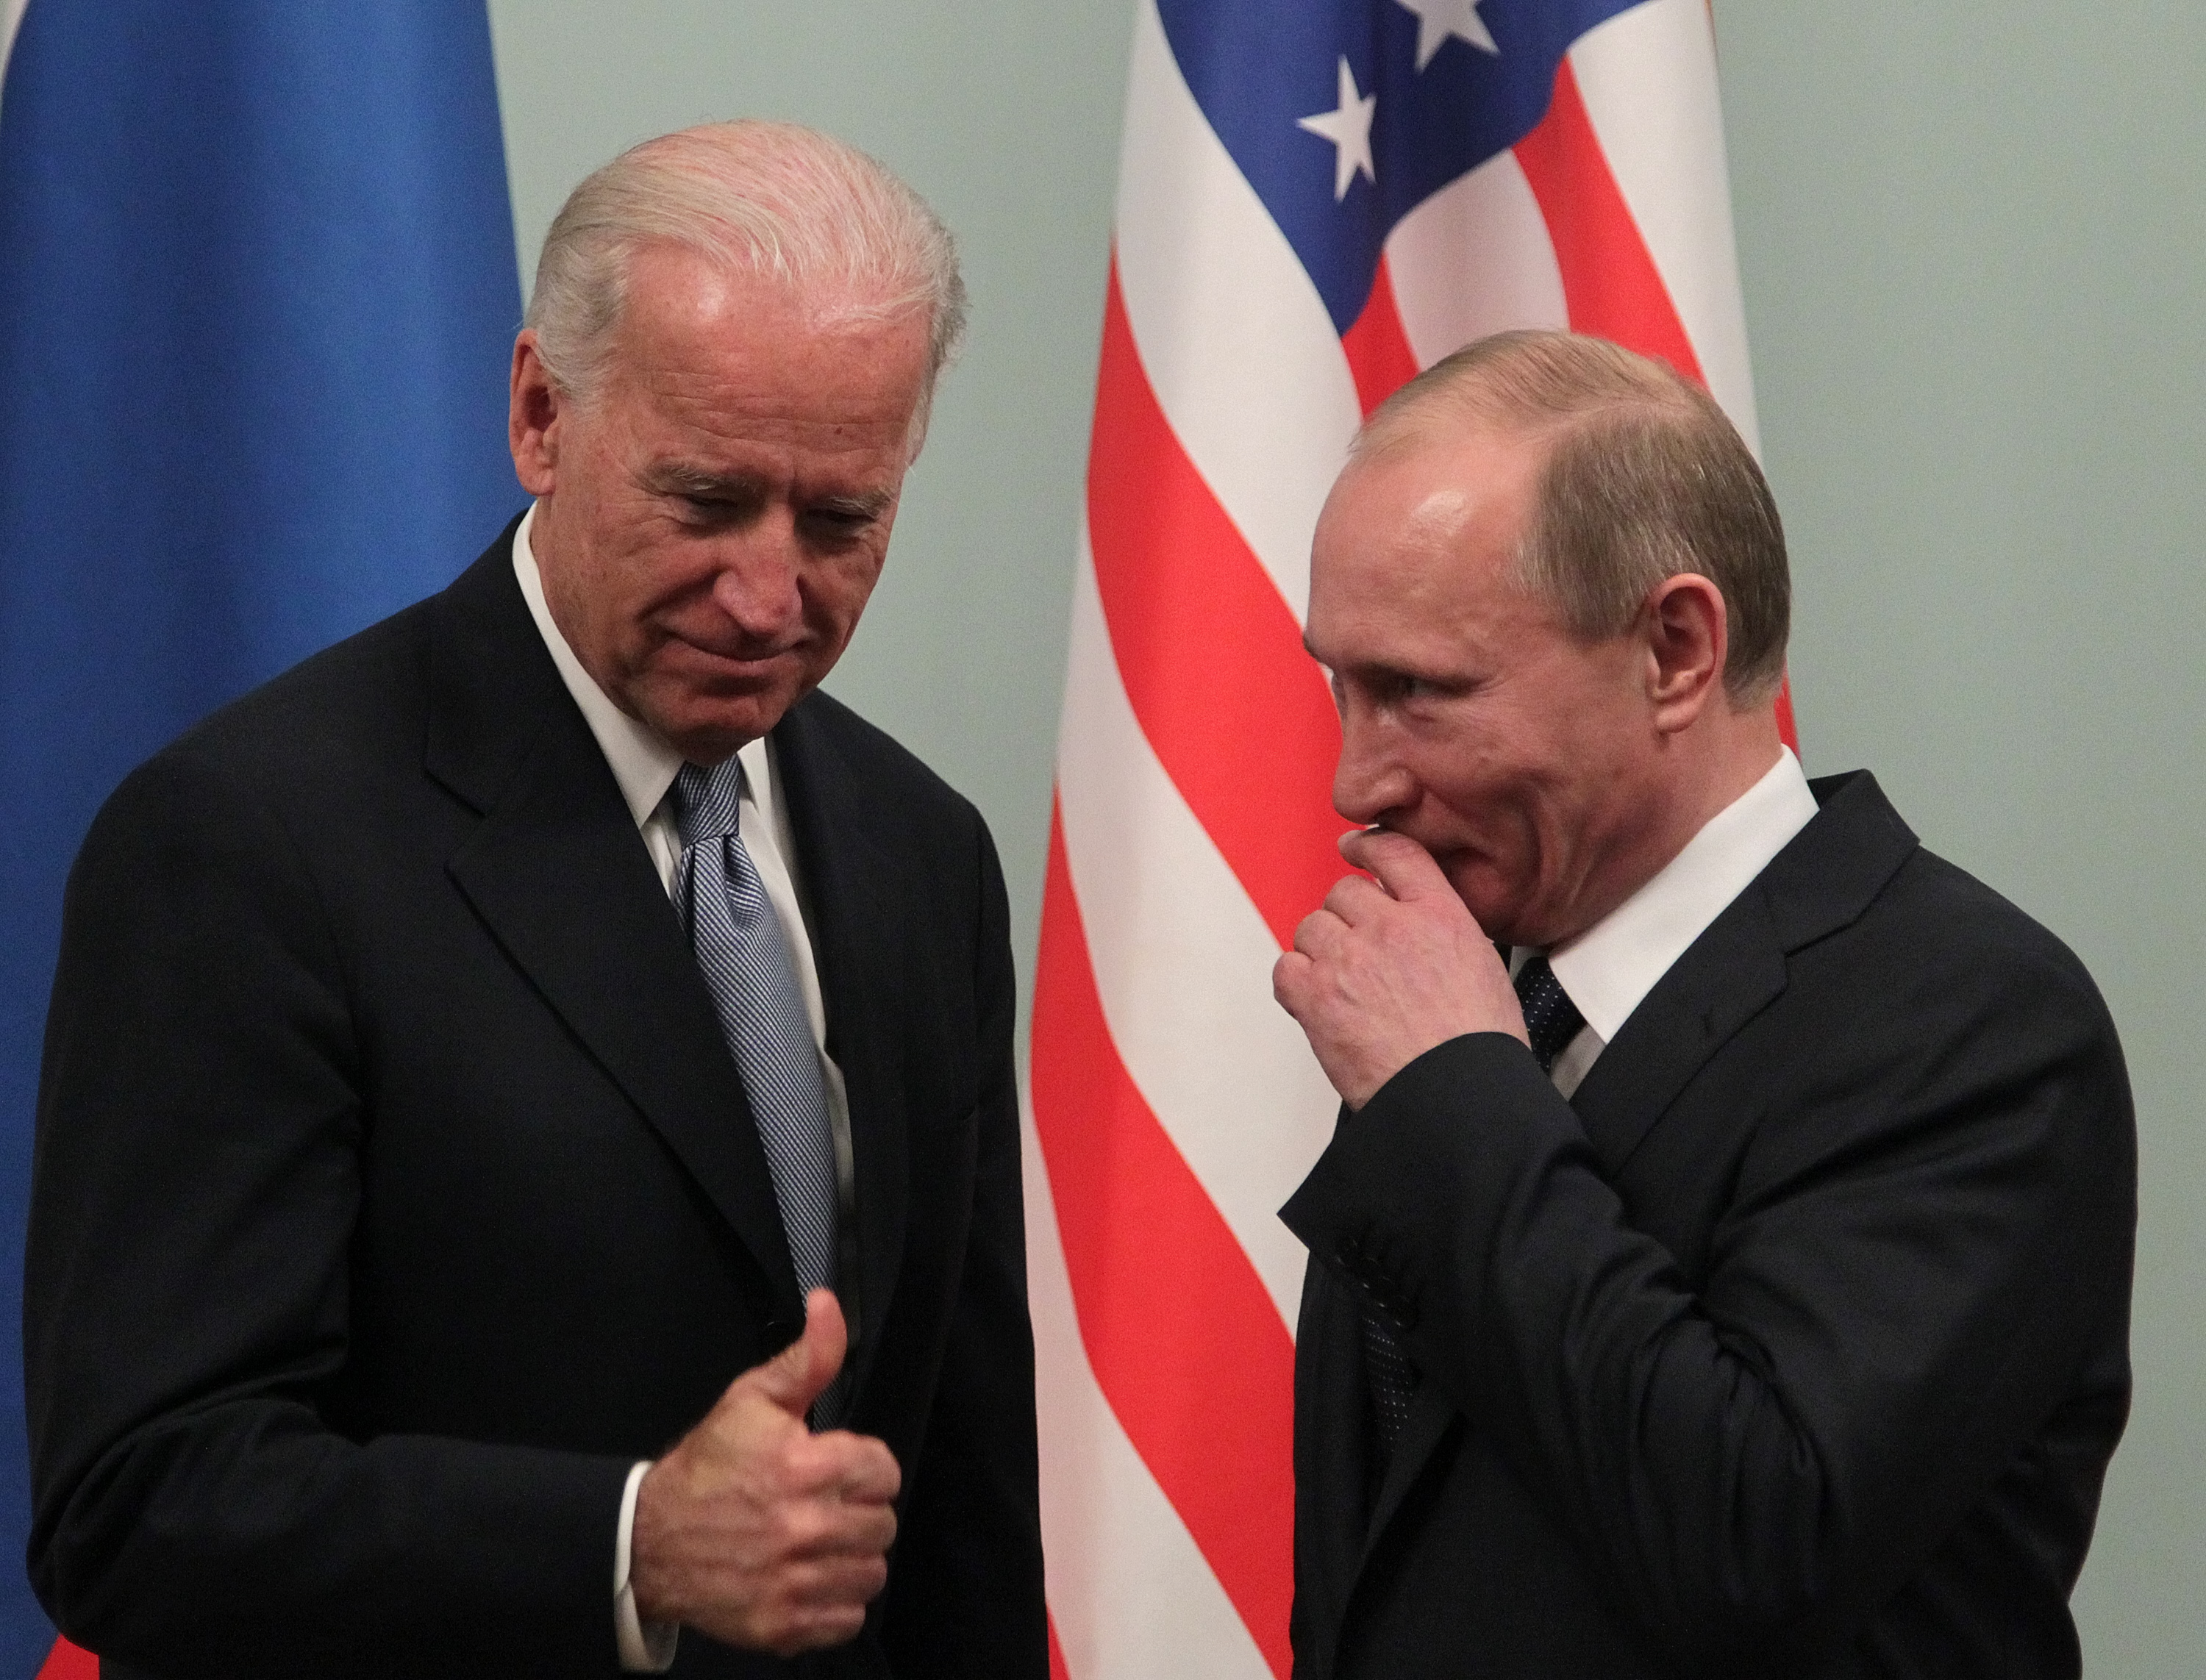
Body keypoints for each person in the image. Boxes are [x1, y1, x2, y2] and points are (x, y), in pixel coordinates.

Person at [24, 121, 1043, 1679]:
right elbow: (138, 1500)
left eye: (841, 521)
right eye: (706, 501)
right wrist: (630, 1540)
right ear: (540, 415)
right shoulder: (249, 843)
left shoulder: (923, 853)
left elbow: (958, 1494)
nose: (773, 596)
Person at [1271, 330, 2134, 1679]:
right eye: (1341, 683)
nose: (1355, 779)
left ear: (1676, 648)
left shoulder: (1974, 1023)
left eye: (1418, 693)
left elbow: (1752, 1543)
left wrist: (1459, 1106)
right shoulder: (1485, 1002)